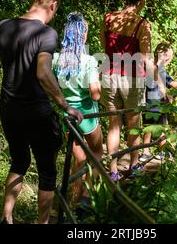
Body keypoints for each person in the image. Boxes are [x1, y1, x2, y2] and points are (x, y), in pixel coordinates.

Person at [0, 0, 83, 224]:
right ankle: (42, 223)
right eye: (56, 10)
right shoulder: (47, 33)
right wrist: (66, 106)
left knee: (19, 161)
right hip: (37, 113)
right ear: (52, 6)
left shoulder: (4, 26)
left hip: (9, 110)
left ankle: (6, 218)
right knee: (47, 170)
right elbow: (44, 73)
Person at [100, 0, 166, 181]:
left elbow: (105, 47)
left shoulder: (108, 18)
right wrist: (160, 83)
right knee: (133, 124)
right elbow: (145, 58)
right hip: (131, 78)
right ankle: (134, 166)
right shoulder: (142, 24)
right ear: (142, 1)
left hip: (108, 75)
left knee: (114, 124)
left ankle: (112, 170)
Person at [52, 12, 103, 207]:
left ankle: (71, 199)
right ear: (82, 35)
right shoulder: (88, 61)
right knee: (97, 152)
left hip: (68, 114)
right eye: (86, 32)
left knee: (79, 158)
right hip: (87, 115)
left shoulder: (56, 59)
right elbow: (95, 94)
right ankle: (86, 197)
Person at [140, 43, 177, 161]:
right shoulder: (160, 69)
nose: (169, 60)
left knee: (147, 128)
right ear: (165, 57)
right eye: (169, 58)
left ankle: (145, 152)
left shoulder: (149, 67)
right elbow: (173, 84)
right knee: (161, 129)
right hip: (159, 105)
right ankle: (162, 151)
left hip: (148, 103)